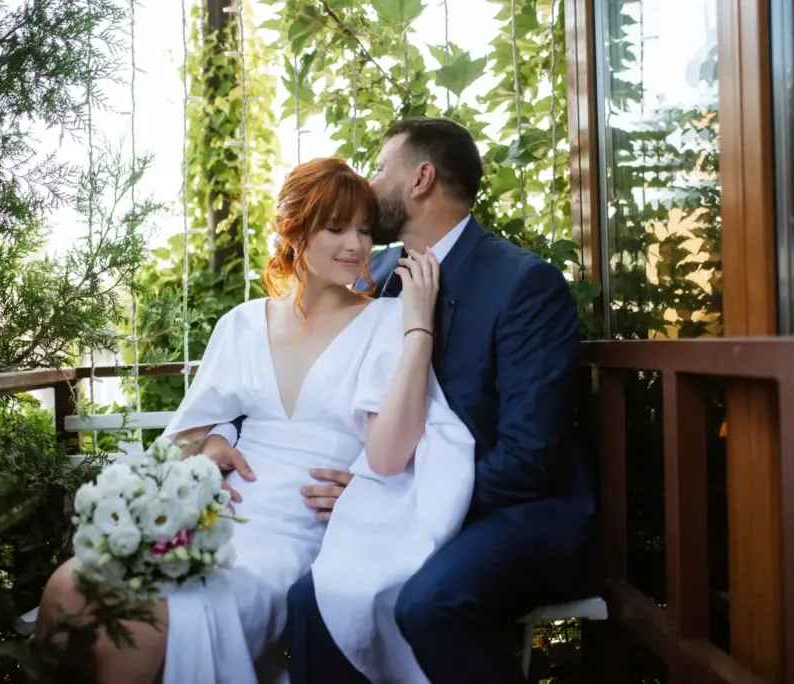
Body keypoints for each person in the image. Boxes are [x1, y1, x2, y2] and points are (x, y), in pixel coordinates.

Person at [33, 156, 476, 684]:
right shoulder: (242, 324)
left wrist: (418, 327)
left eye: (363, 230)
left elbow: (387, 454)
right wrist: (208, 447)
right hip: (218, 517)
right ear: (295, 231)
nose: (357, 245)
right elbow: (180, 442)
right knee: (66, 587)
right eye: (336, 228)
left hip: (295, 532)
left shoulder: (384, 322)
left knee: (144, 622)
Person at [278, 117, 597, 684]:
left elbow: (528, 459)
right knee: (313, 600)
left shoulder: (524, 284)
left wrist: (402, 503)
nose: (369, 184)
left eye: (380, 168)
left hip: (515, 512)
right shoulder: (373, 274)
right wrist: (218, 433)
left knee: (428, 605)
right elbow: (298, 358)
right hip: (399, 502)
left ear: (421, 178)